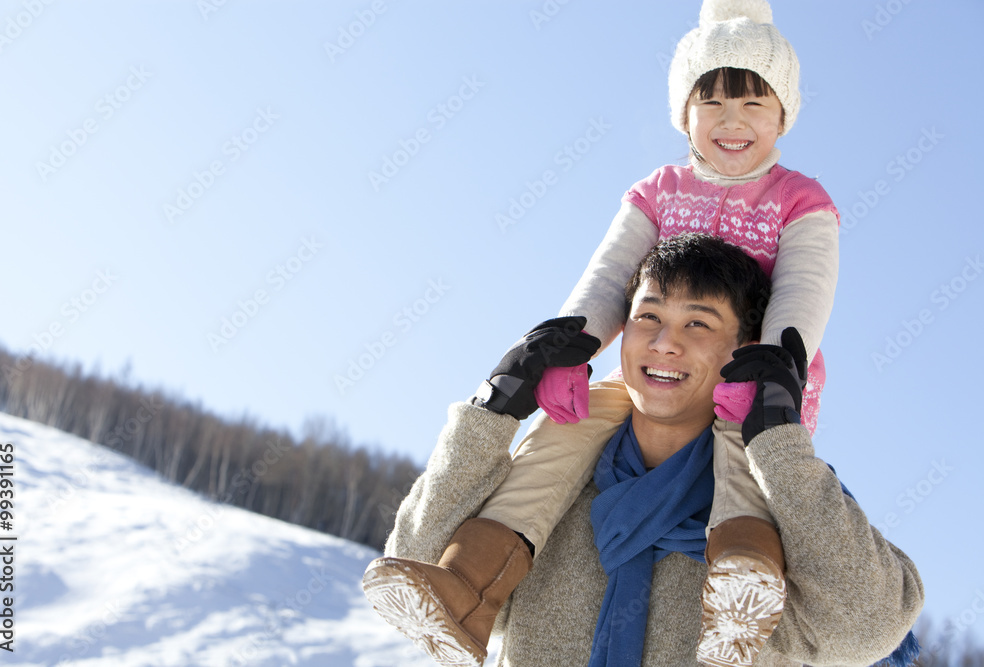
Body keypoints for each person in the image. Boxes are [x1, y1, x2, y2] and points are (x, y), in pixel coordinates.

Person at [363, 1, 846, 664]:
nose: (732, 123)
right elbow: (610, 275)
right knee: (560, 435)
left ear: (784, 113)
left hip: (751, 385)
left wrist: (776, 369)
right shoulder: (658, 190)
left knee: (743, 460)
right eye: (712, 104)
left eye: (754, 104)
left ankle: (742, 582)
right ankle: (469, 585)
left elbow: (804, 289)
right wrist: (571, 347)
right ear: (684, 114)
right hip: (650, 382)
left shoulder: (799, 199)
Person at [363, 234, 923, 667]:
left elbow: (867, 627)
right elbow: (416, 562)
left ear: (744, 354)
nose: (664, 342)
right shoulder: (549, 493)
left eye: (697, 323)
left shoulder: (780, 516)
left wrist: (778, 440)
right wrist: (493, 407)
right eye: (648, 316)